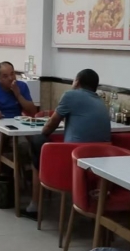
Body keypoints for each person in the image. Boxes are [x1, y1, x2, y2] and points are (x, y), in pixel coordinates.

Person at [25, 68, 111, 218]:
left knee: (37, 141)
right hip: (100, 163)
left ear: (77, 82)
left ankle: (35, 205)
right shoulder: (101, 102)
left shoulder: (70, 95)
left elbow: (50, 126)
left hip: (73, 160)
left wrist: (42, 133)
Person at [0, 61, 36, 172]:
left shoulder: (22, 86)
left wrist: (17, 94)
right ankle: (1, 173)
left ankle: (13, 172)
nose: (10, 78)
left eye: (12, 74)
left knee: (24, 147)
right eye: (5, 76)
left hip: (16, 127)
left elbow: (32, 110)